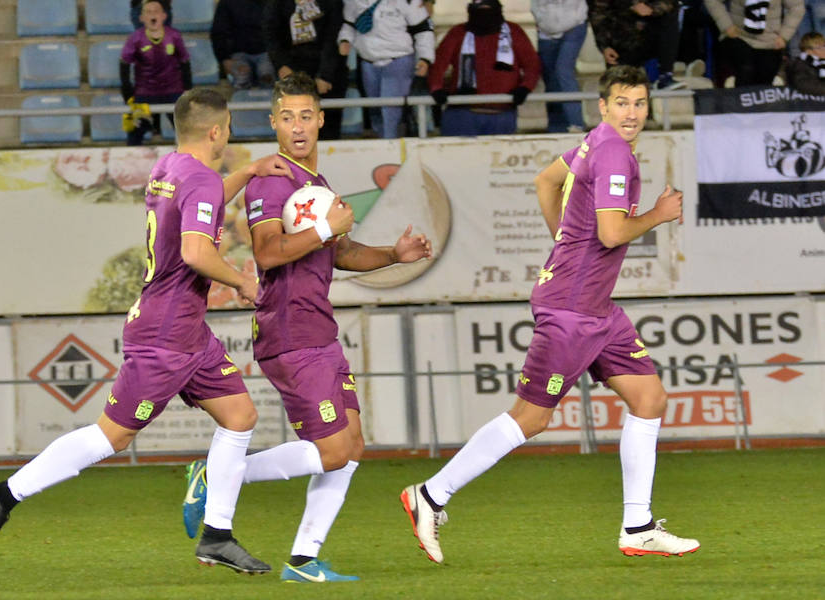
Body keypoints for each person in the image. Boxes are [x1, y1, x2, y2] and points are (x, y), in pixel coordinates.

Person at [0, 88, 294, 574]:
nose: (228, 134)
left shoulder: (169, 168)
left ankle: (217, 536)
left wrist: (248, 173)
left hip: (187, 333)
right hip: (165, 336)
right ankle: (2, 494)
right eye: (227, 127)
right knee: (111, 438)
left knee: (239, 415)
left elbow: (197, 205)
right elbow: (195, 253)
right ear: (216, 131)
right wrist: (244, 281)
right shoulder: (202, 180)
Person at [400, 65, 700, 565]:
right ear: (603, 106)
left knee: (648, 397)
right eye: (622, 102)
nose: (632, 113)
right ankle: (430, 495)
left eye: (640, 103)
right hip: (572, 308)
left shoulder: (595, 141)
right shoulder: (613, 154)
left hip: (595, 308)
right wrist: (658, 214)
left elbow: (546, 179)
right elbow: (610, 234)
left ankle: (638, 525)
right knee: (531, 419)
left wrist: (564, 240)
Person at [222, 71, 430, 583]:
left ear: (321, 120)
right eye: (286, 117)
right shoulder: (270, 180)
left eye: (305, 116)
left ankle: (303, 560)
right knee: (334, 448)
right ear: (273, 123)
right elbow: (268, 254)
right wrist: (324, 228)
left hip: (319, 328)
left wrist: (393, 255)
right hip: (289, 328)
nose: (297, 126)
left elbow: (341, 252)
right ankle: (221, 476)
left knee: (351, 445)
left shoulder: (317, 186)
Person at [428, 0, 541, 136]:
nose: (484, 16)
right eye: (480, 11)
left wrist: (525, 88)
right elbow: (438, 64)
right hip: (462, 115)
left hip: (503, 114)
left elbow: (532, 65)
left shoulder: (514, 32)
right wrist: (436, 88)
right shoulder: (458, 33)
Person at [338, 0, 435, 139]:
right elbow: (349, 24)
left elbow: (424, 28)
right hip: (368, 61)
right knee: (375, 111)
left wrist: (425, 58)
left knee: (391, 111)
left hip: (398, 60)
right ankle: (382, 144)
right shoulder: (353, 2)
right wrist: (344, 40)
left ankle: (391, 147)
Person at [262, 0, 348, 140]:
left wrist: (325, 75)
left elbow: (333, 38)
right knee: (296, 129)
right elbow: (271, 36)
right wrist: (282, 65)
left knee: (327, 130)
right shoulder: (276, 4)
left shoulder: (332, 3)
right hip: (292, 69)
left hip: (329, 72)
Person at [120, 0, 191, 146]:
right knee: (135, 130)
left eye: (156, 11)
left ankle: (191, 163)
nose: (153, 15)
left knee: (186, 130)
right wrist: (127, 89)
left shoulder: (174, 36)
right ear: (141, 18)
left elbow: (185, 61)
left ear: (164, 16)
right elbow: (124, 63)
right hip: (145, 92)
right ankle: (129, 161)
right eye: (148, 12)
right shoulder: (135, 38)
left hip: (173, 90)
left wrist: (187, 87)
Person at [704, 0, 805, 87]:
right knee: (746, 71)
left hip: (770, 41)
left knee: (765, 77)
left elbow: (797, 8)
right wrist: (726, 25)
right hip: (739, 36)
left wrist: (784, 36)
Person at [589, 0, 686, 90]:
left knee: (669, 17)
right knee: (621, 89)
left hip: (651, 36)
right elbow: (598, 14)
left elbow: (671, 3)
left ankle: (664, 76)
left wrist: (651, 8)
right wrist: (604, 46)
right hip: (622, 40)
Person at [530, 0, 588, 133]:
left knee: (563, 70)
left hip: (575, 25)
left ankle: (576, 123)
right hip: (546, 30)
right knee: (550, 79)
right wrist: (540, 20)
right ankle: (557, 127)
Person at [210, 0, 276, 90]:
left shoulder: (273, 3)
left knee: (266, 73)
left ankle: (272, 102)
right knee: (241, 77)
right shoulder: (227, 3)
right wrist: (224, 58)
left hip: (266, 52)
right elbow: (218, 32)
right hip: (237, 53)